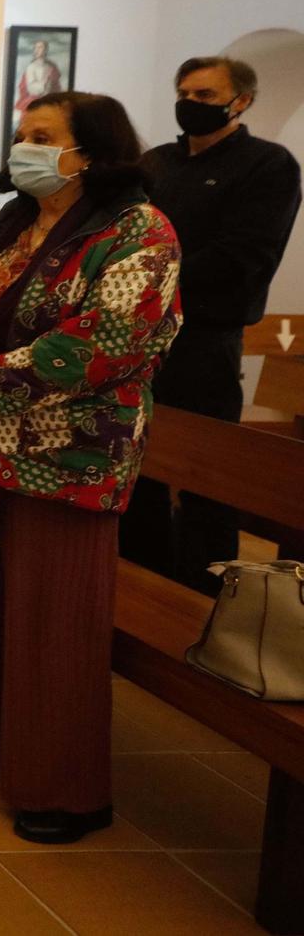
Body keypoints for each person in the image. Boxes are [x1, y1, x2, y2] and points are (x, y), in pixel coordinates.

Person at [0, 91, 180, 846]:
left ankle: (64, 786)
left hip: (68, 452)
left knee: (53, 613)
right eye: (22, 134)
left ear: (89, 151)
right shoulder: (11, 225)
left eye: (43, 136)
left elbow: (108, 340)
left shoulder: (138, 233)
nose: (24, 146)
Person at [122, 56, 301, 593]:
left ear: (241, 101)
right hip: (141, 337)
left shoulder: (268, 165)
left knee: (205, 477)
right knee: (138, 470)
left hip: (204, 340)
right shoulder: (155, 163)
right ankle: (140, 590)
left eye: (204, 95)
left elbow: (244, 254)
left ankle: (204, 599)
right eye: (185, 93)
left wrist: (148, 280)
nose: (190, 104)